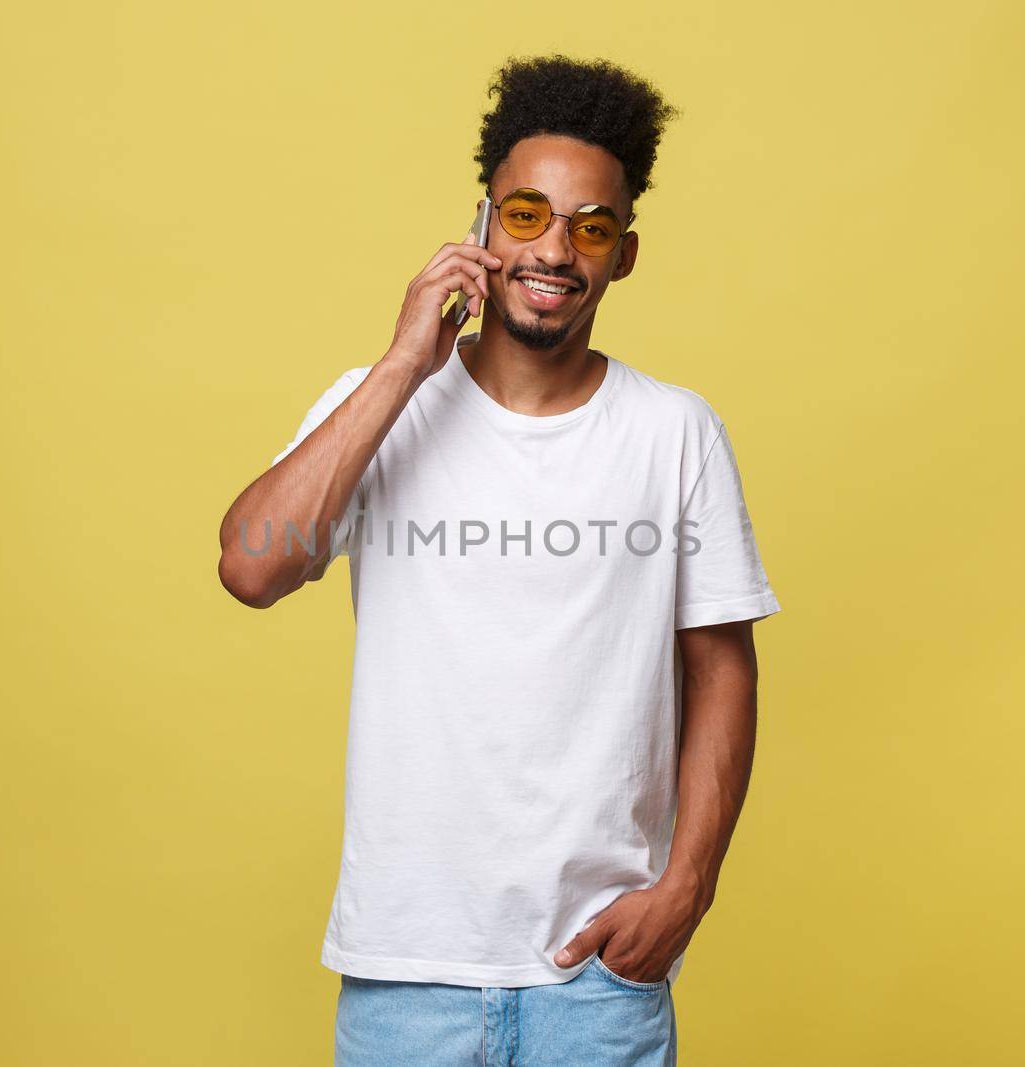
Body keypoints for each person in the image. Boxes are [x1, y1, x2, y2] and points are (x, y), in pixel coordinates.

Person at [218, 53, 781, 1067]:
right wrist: (403, 363)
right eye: (527, 214)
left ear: (623, 254)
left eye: (590, 227)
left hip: (597, 981)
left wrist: (685, 890)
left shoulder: (674, 433)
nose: (555, 249)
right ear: (481, 224)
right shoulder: (380, 402)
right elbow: (253, 565)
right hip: (407, 976)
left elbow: (720, 670)